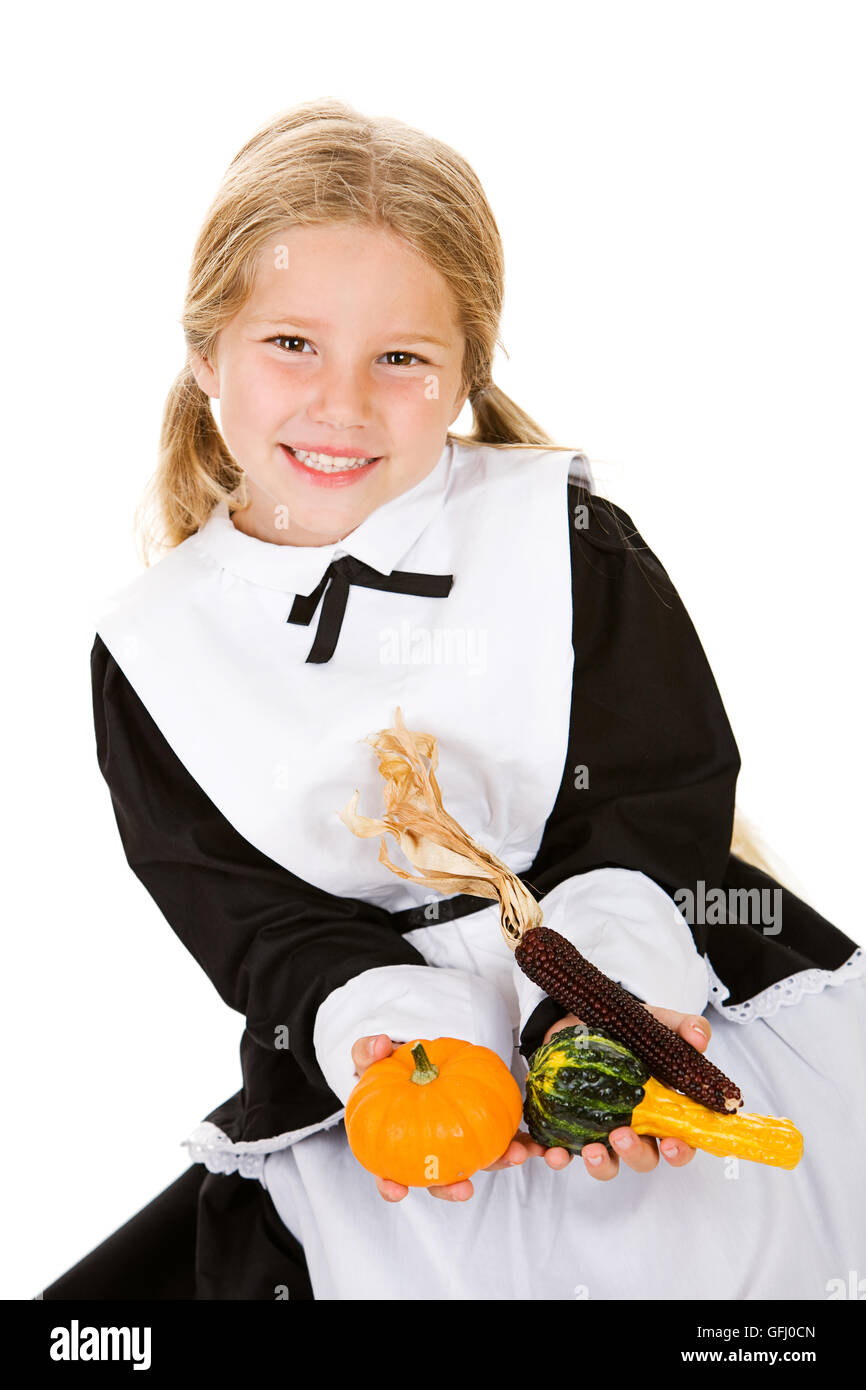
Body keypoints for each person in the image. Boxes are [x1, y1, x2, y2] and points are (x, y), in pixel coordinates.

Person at [43, 98, 864, 1301]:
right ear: (205, 348)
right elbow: (259, 927)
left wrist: (587, 1027)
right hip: (386, 1079)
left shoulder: (562, 536)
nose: (340, 403)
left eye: (400, 358)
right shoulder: (150, 651)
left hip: (653, 1000)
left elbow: (646, 806)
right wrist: (409, 1042)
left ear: (464, 372)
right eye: (290, 345)